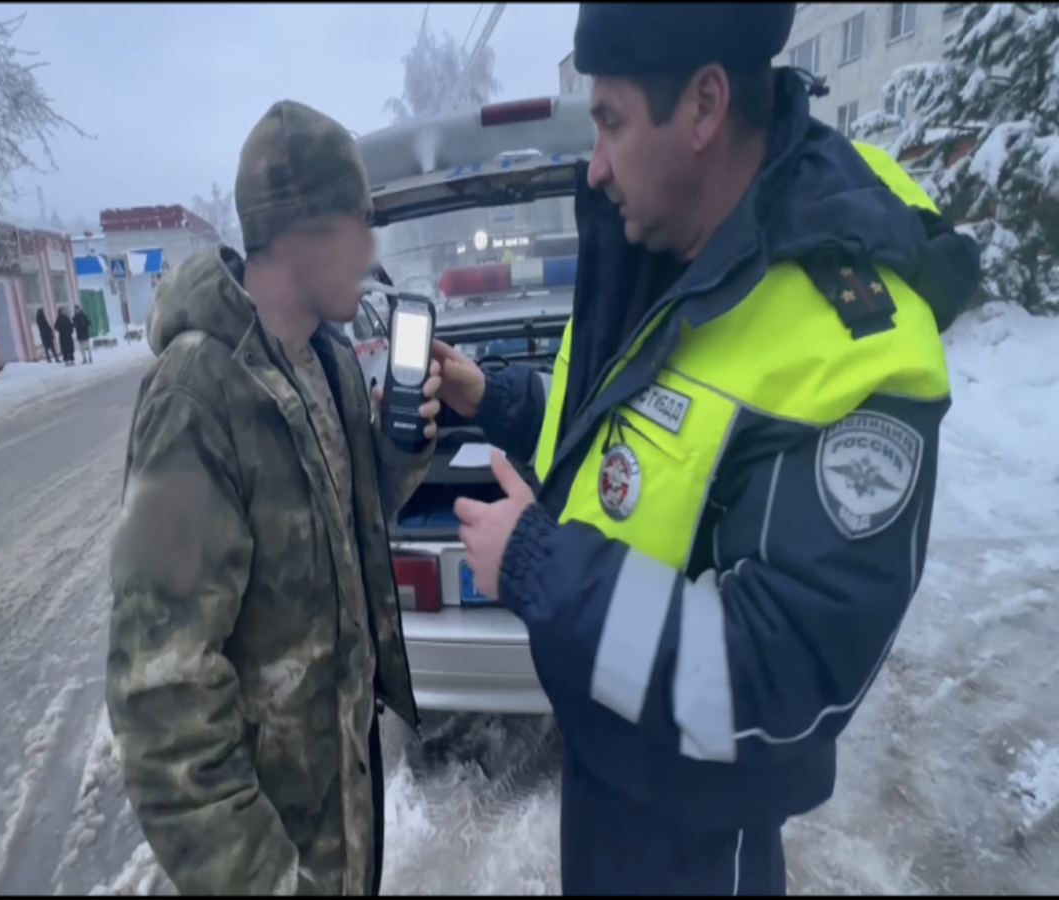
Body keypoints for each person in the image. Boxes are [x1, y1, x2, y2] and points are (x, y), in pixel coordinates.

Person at [440, 3, 983, 895]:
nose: (596, 163)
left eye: (611, 121)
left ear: (702, 106)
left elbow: (778, 679)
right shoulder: (662, 248)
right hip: (609, 773)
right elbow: (623, 441)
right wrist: (497, 399)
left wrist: (540, 565)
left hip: (695, 839)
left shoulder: (851, 344)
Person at [106, 99, 441, 896]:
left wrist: (402, 443)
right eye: (359, 225)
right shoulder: (196, 397)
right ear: (304, 233)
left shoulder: (322, 359)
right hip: (274, 857)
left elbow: (335, 531)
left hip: (345, 825)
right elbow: (162, 706)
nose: (370, 253)